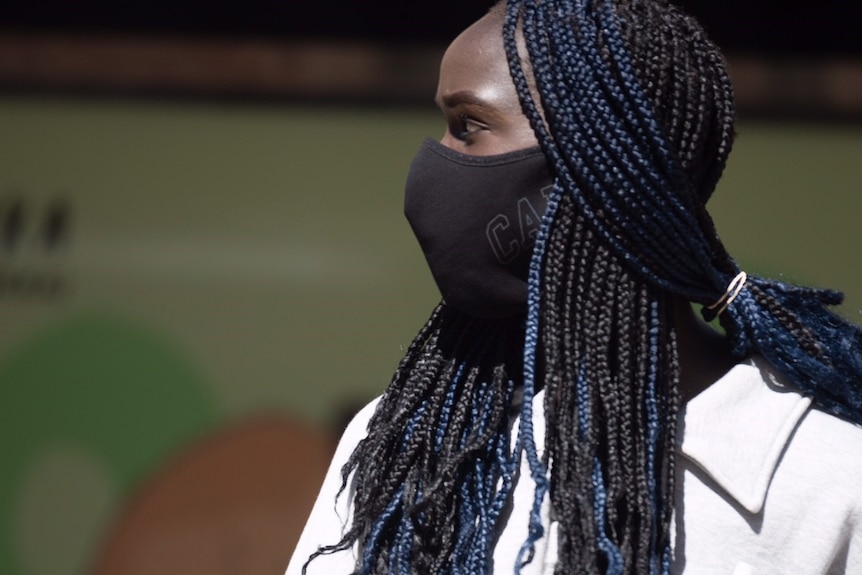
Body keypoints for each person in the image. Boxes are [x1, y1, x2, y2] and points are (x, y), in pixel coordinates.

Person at [285, 0, 862, 573]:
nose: (433, 162)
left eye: (468, 125)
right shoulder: (403, 438)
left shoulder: (832, 481)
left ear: (606, 163)